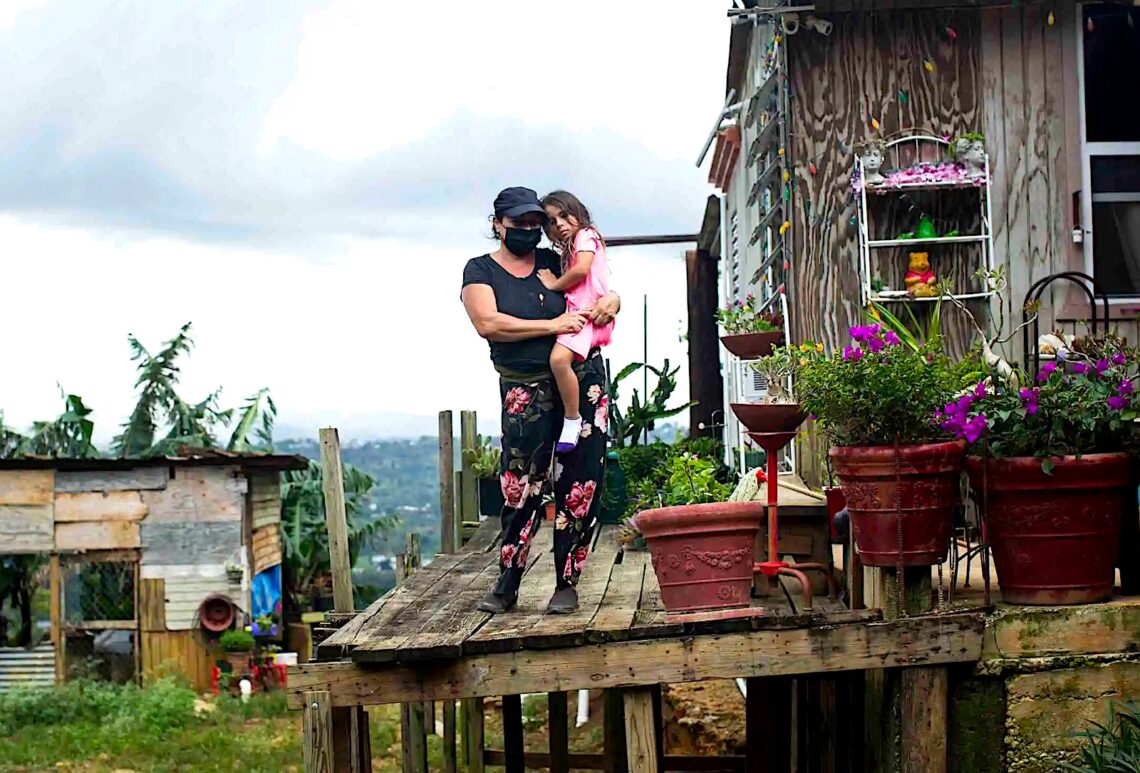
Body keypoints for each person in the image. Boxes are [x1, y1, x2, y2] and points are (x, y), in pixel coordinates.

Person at [461, 186, 621, 614]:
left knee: (580, 481)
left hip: (582, 380)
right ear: (498, 224)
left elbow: (598, 286)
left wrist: (613, 301)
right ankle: (508, 580)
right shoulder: (480, 271)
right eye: (519, 224)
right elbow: (488, 323)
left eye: (536, 223)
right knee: (519, 485)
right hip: (524, 388)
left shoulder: (555, 262)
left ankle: (567, 581)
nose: (530, 230)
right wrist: (552, 325)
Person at [538, 191, 615, 453]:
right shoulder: (573, 246)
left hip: (587, 313)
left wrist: (553, 284)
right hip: (585, 312)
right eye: (550, 221)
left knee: (558, 360)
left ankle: (572, 419)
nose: (558, 223)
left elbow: (582, 270)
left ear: (578, 212)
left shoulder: (586, 236)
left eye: (563, 215)